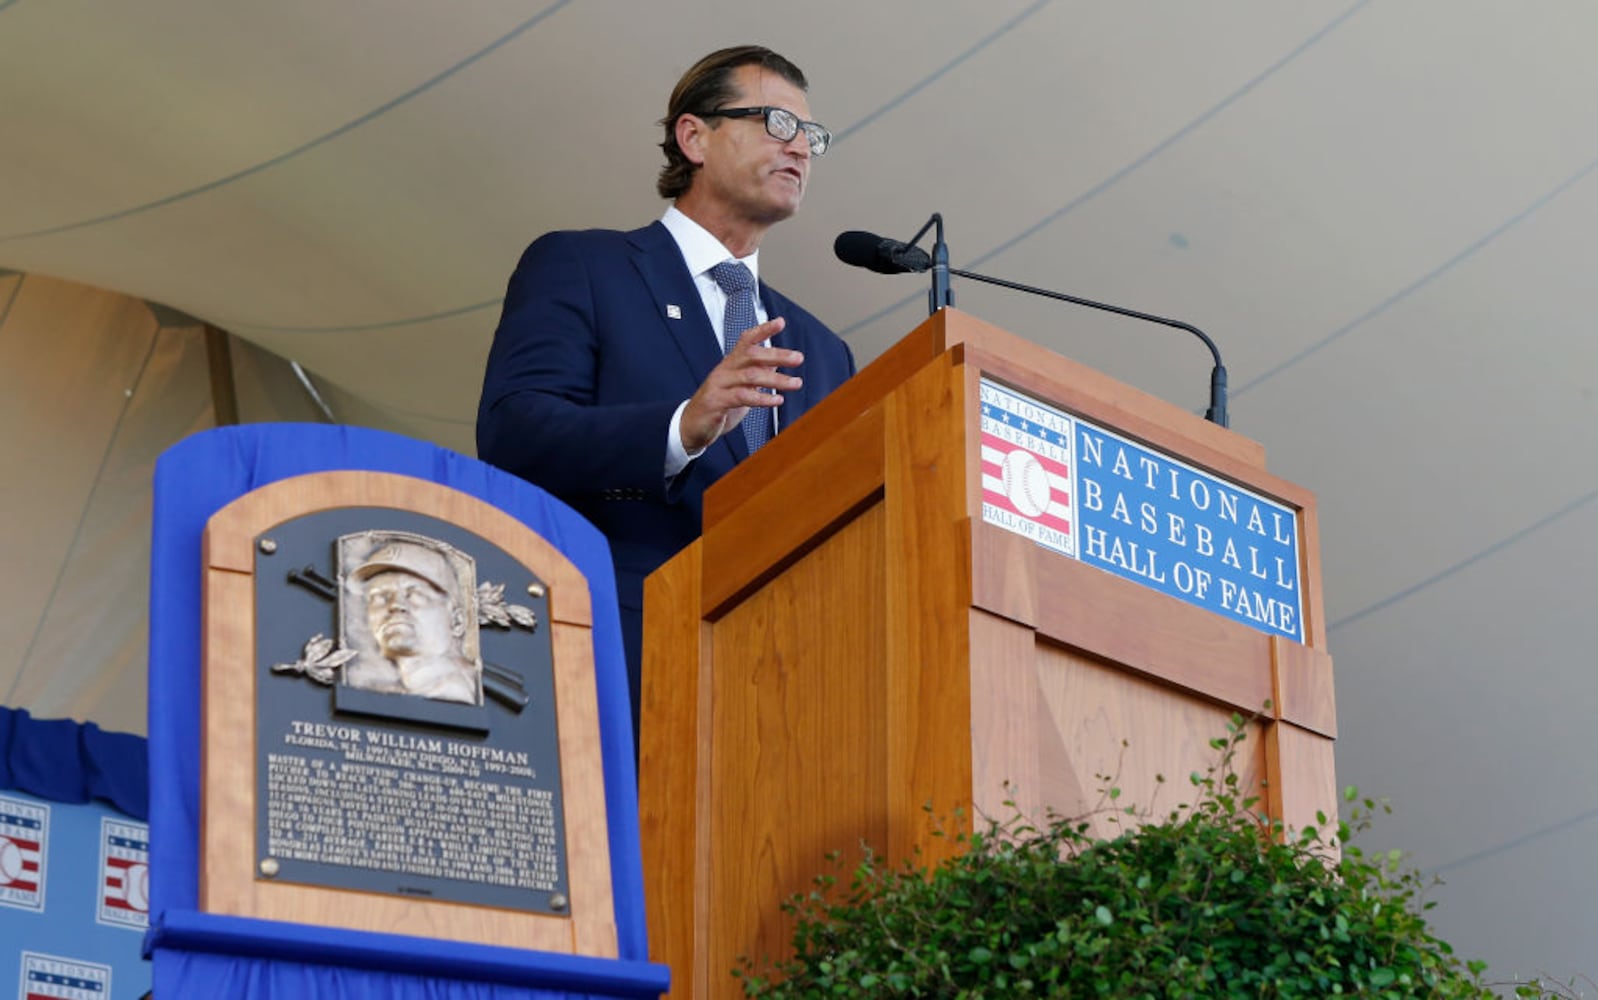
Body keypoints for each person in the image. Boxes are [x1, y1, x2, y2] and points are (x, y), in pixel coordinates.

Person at [476, 45, 855, 735]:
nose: (800, 147)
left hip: (779, 690)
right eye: (776, 122)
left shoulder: (824, 351)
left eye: (812, 135)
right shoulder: (585, 265)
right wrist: (682, 427)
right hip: (614, 654)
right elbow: (515, 433)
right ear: (694, 136)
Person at [345, 540, 481, 705]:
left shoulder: (457, 689)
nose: (395, 605)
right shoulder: (390, 689)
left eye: (415, 594)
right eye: (380, 597)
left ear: (458, 621)